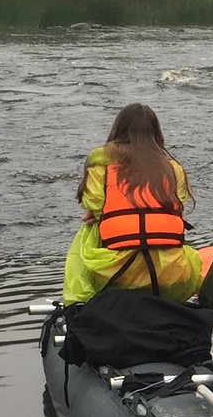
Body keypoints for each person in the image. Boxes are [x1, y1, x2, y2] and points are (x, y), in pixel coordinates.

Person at [63, 103, 202, 305]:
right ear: (156, 134)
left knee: (87, 232)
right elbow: (177, 208)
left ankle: (79, 301)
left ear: (117, 129)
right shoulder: (174, 168)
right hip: (170, 277)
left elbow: (91, 202)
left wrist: (102, 215)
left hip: (115, 275)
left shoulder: (101, 162)